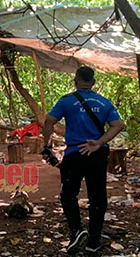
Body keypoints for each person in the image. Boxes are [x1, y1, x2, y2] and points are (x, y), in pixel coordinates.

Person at [43, 66, 125, 253]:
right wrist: (99, 142)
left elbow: (49, 121)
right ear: (93, 82)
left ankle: (77, 230)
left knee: (68, 194)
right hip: (97, 153)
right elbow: (118, 124)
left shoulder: (67, 101)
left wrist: (47, 145)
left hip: (75, 153)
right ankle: (94, 240)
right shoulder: (104, 102)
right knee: (98, 196)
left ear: (76, 81)